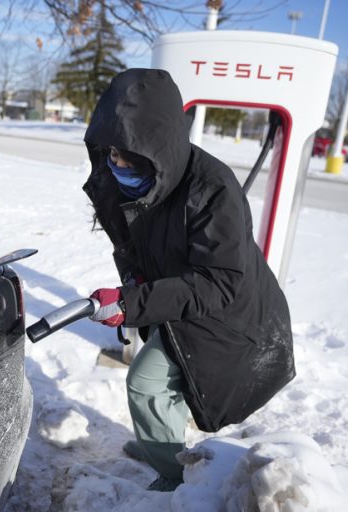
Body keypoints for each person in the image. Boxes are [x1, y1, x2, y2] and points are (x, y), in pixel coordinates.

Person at [84, 68, 295, 492]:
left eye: (128, 156)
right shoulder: (127, 182)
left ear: (156, 146)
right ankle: (163, 444)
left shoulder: (211, 189)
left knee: (147, 383)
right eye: (112, 153)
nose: (117, 164)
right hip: (177, 300)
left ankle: (180, 480)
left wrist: (132, 303)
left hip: (227, 317)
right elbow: (128, 245)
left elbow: (220, 282)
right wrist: (135, 284)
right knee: (165, 386)